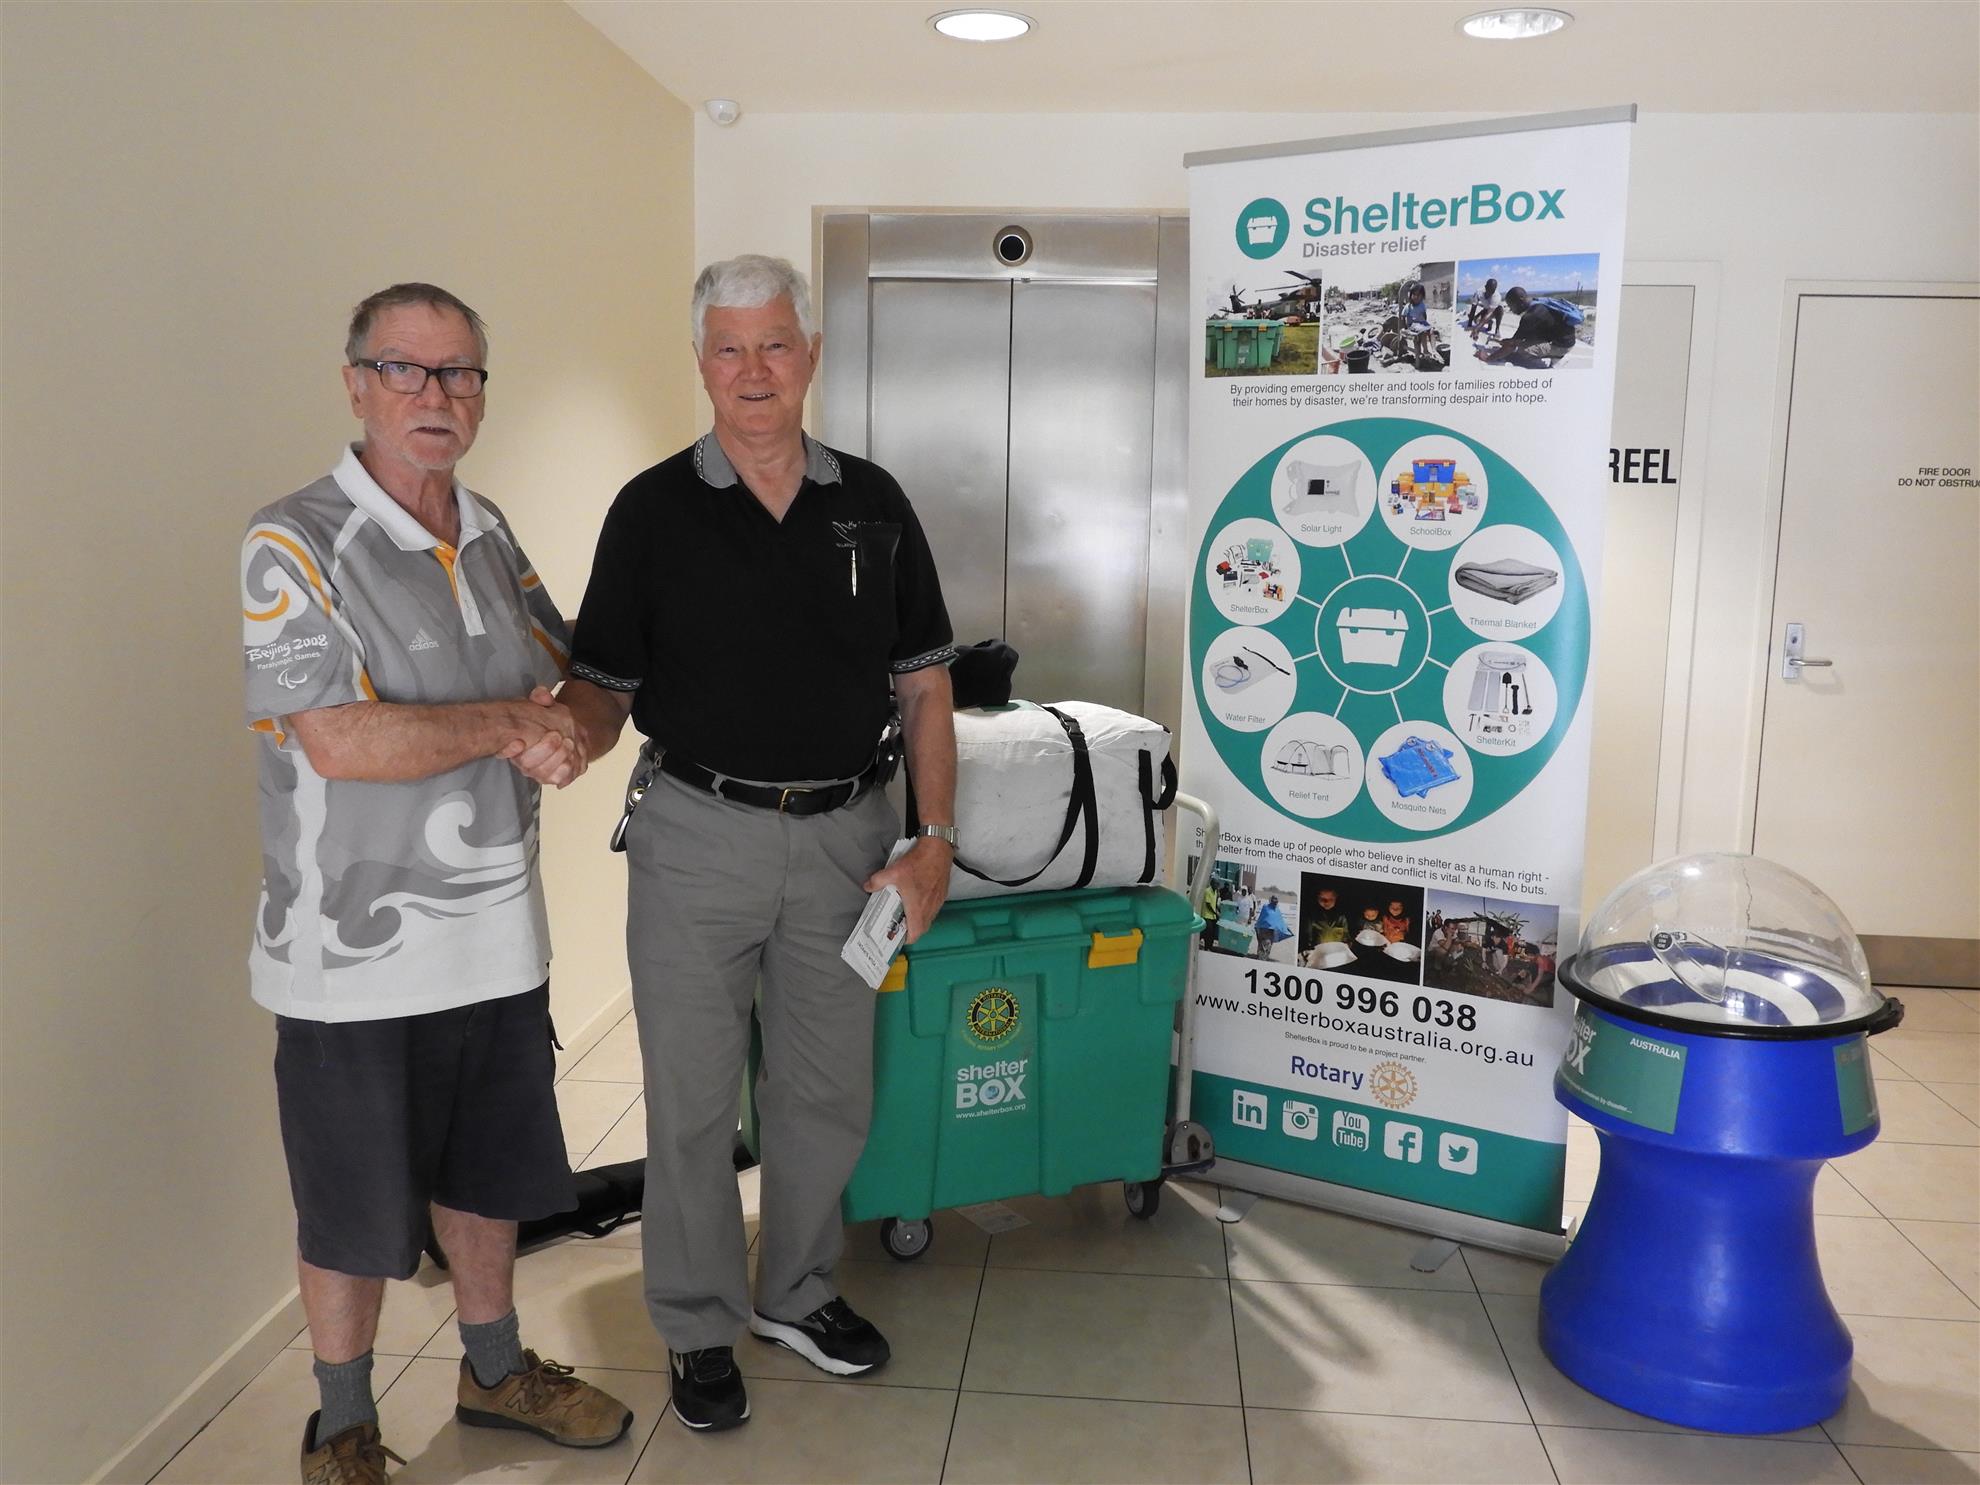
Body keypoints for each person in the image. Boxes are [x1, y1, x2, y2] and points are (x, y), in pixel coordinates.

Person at [557, 255, 958, 1434]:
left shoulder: (872, 503)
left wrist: (934, 839)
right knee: (690, 1096)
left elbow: (926, 686)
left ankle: (796, 1290)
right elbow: (604, 682)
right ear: (701, 364)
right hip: (697, 834)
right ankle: (695, 1319)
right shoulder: (650, 511)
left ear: (810, 354)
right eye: (728, 348)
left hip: (850, 841)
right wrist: (560, 734)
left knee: (827, 1088)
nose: (753, 370)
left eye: (775, 343)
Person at [241, 284, 631, 1484]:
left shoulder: (491, 530)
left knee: (489, 1176)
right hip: (350, 957)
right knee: (352, 1208)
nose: (435, 394)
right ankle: (343, 1425)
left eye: (460, 373)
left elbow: (581, 677)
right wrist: (516, 724)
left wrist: (575, 732)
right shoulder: (291, 543)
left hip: (496, 944)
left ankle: (496, 1370)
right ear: (354, 382)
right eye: (405, 368)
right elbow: (338, 739)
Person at [1476, 286, 1582, 367]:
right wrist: (1508, 341)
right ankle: (1553, 353)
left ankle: (1555, 359)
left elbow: (1511, 346)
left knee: (1521, 351)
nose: (1511, 310)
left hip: (1562, 346)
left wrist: (1489, 358)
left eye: (1511, 305)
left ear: (1521, 300)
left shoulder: (1531, 316)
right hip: (1562, 338)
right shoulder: (1537, 303)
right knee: (1517, 343)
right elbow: (1517, 339)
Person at [1200, 881, 1222, 949]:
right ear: (1211, 884)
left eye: (1217, 884)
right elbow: (1208, 905)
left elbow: (1214, 904)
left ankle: (1209, 946)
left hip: (1213, 917)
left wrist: (1218, 910)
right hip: (1206, 915)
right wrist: (1215, 913)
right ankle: (1206, 946)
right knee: (1208, 932)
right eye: (1216, 884)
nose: (1217, 886)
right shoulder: (1207, 891)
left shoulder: (1215, 892)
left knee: (1212, 933)